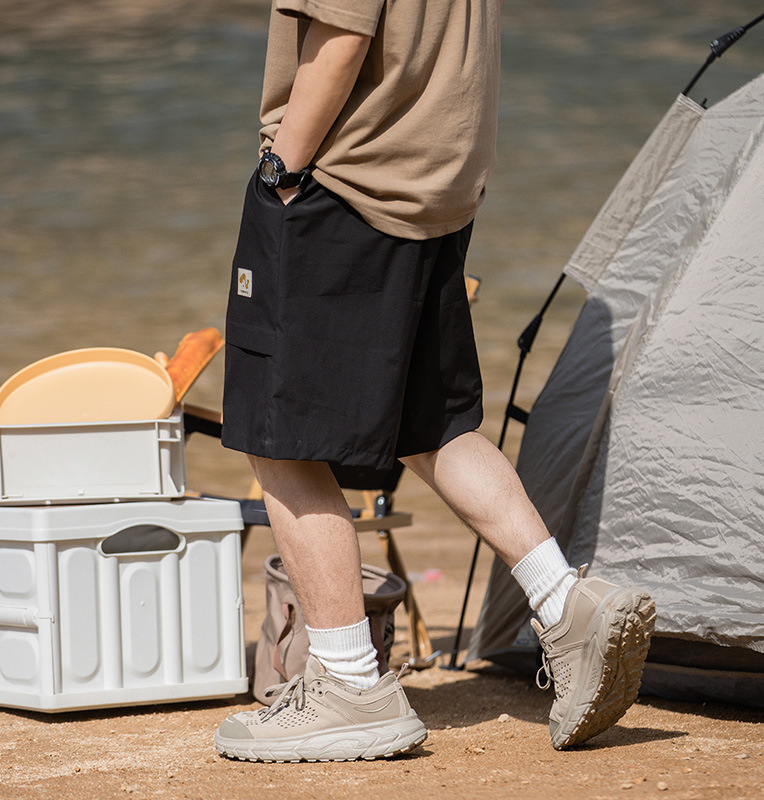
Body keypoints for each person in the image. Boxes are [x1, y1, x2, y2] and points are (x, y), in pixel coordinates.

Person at [214, 0, 655, 762]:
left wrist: (280, 169)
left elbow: (343, 35)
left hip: (346, 182)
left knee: (280, 440)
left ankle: (350, 683)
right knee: (434, 426)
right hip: (438, 187)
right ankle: (564, 600)